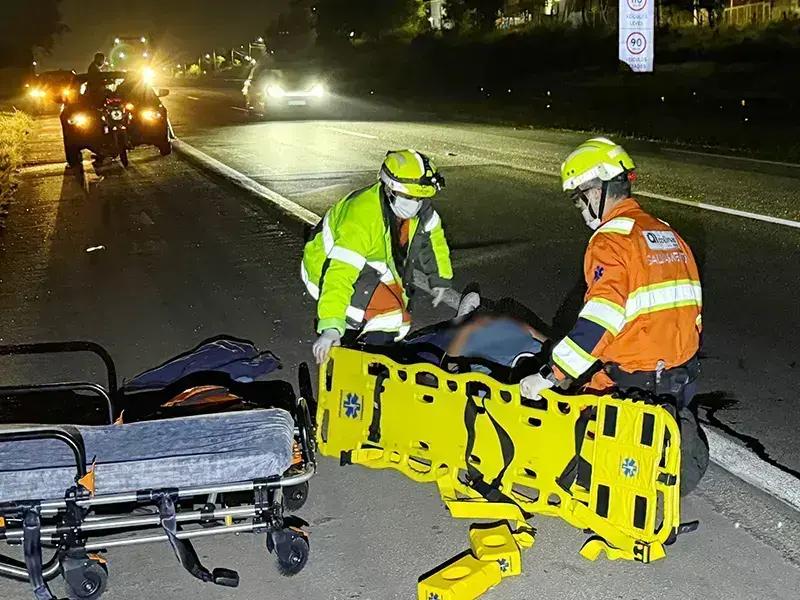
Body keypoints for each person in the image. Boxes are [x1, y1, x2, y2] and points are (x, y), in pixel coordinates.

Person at [520, 138, 703, 410]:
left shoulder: (610, 240)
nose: (581, 210)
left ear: (594, 193)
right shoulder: (666, 232)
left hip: (635, 384)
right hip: (681, 378)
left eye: (578, 201)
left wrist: (550, 375)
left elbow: (600, 320)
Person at [302, 149, 453, 364]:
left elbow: (434, 240)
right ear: (390, 189)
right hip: (324, 268)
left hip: (374, 262)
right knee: (386, 315)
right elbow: (339, 274)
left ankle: (371, 349)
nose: (416, 203)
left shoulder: (418, 208)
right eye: (410, 197)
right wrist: (330, 327)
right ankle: (350, 346)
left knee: (396, 312)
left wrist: (440, 279)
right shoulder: (362, 216)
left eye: (420, 197)